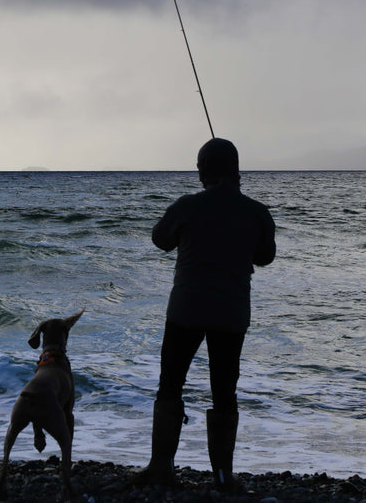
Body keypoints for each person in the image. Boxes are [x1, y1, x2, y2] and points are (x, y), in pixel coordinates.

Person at [137, 137, 276, 490]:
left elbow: (160, 240)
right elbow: (265, 257)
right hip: (231, 314)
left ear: (203, 172)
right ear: (236, 171)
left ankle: (161, 468)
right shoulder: (257, 212)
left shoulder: (186, 206)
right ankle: (223, 475)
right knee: (224, 391)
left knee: (170, 384)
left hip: (186, 309)